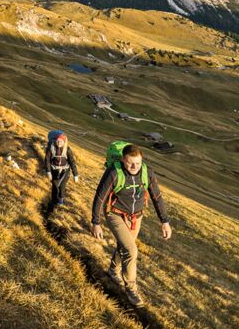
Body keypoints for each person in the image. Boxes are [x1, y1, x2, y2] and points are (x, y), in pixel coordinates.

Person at [90, 143, 172, 307]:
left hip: (136, 216)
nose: (134, 167)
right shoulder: (114, 172)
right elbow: (100, 197)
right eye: (130, 163)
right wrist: (96, 222)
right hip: (115, 214)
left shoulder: (147, 172)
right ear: (123, 160)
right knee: (131, 250)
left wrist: (165, 221)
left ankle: (113, 269)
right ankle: (131, 289)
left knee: (125, 247)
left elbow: (157, 197)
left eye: (138, 163)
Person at [45, 131, 79, 206]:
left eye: (61, 141)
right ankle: (54, 202)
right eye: (58, 141)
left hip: (65, 171)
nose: (59, 142)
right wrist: (48, 172)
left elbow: (72, 162)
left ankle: (61, 201)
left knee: (62, 186)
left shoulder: (67, 150)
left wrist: (75, 175)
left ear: (64, 142)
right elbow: (47, 160)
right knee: (55, 186)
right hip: (54, 170)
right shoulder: (51, 148)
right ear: (55, 140)